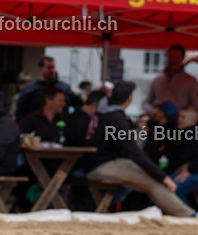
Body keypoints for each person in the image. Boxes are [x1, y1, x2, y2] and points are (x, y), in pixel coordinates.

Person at [82, 82, 195, 217]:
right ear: (130, 98)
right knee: (153, 180)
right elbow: (134, 153)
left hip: (96, 164)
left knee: (142, 181)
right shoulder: (115, 117)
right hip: (102, 165)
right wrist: (163, 177)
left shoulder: (103, 113)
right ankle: (189, 215)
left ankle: (104, 208)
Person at [15, 56, 83, 120]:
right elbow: (20, 113)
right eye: (49, 68)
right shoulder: (30, 90)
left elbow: (79, 104)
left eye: (53, 67)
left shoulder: (65, 88)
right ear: (40, 69)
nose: (52, 70)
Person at [144, 44, 198, 115]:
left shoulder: (191, 81)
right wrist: (152, 111)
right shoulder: (157, 80)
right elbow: (146, 103)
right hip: (158, 121)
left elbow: (195, 105)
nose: (172, 60)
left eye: (175, 58)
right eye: (170, 57)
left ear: (183, 58)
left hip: (179, 122)